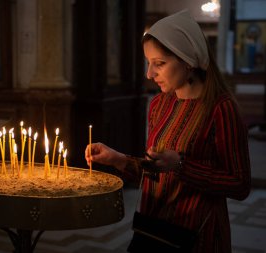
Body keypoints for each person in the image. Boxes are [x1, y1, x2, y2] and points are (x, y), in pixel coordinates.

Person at [85, 10, 251, 253]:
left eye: (159, 64)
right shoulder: (160, 104)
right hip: (153, 229)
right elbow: (155, 171)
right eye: (148, 63)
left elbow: (240, 185)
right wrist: (117, 159)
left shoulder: (220, 109)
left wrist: (181, 165)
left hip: (197, 236)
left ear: (188, 60)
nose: (149, 74)